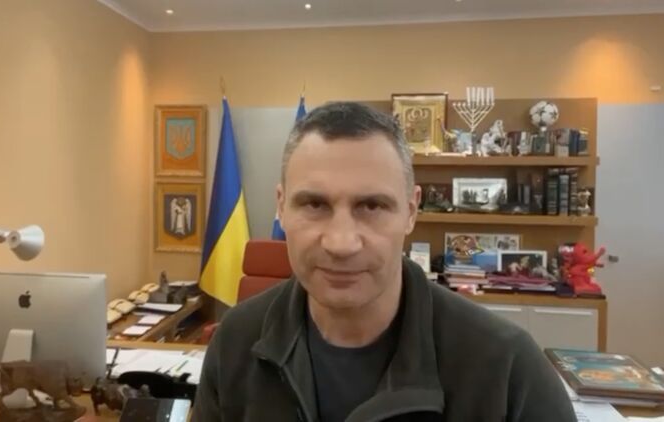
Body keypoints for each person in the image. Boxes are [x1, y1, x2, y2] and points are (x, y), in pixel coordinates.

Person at [192, 102, 575, 421]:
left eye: (372, 206)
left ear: (411, 211)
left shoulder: (507, 370)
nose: (341, 243)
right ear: (281, 207)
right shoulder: (235, 342)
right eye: (314, 204)